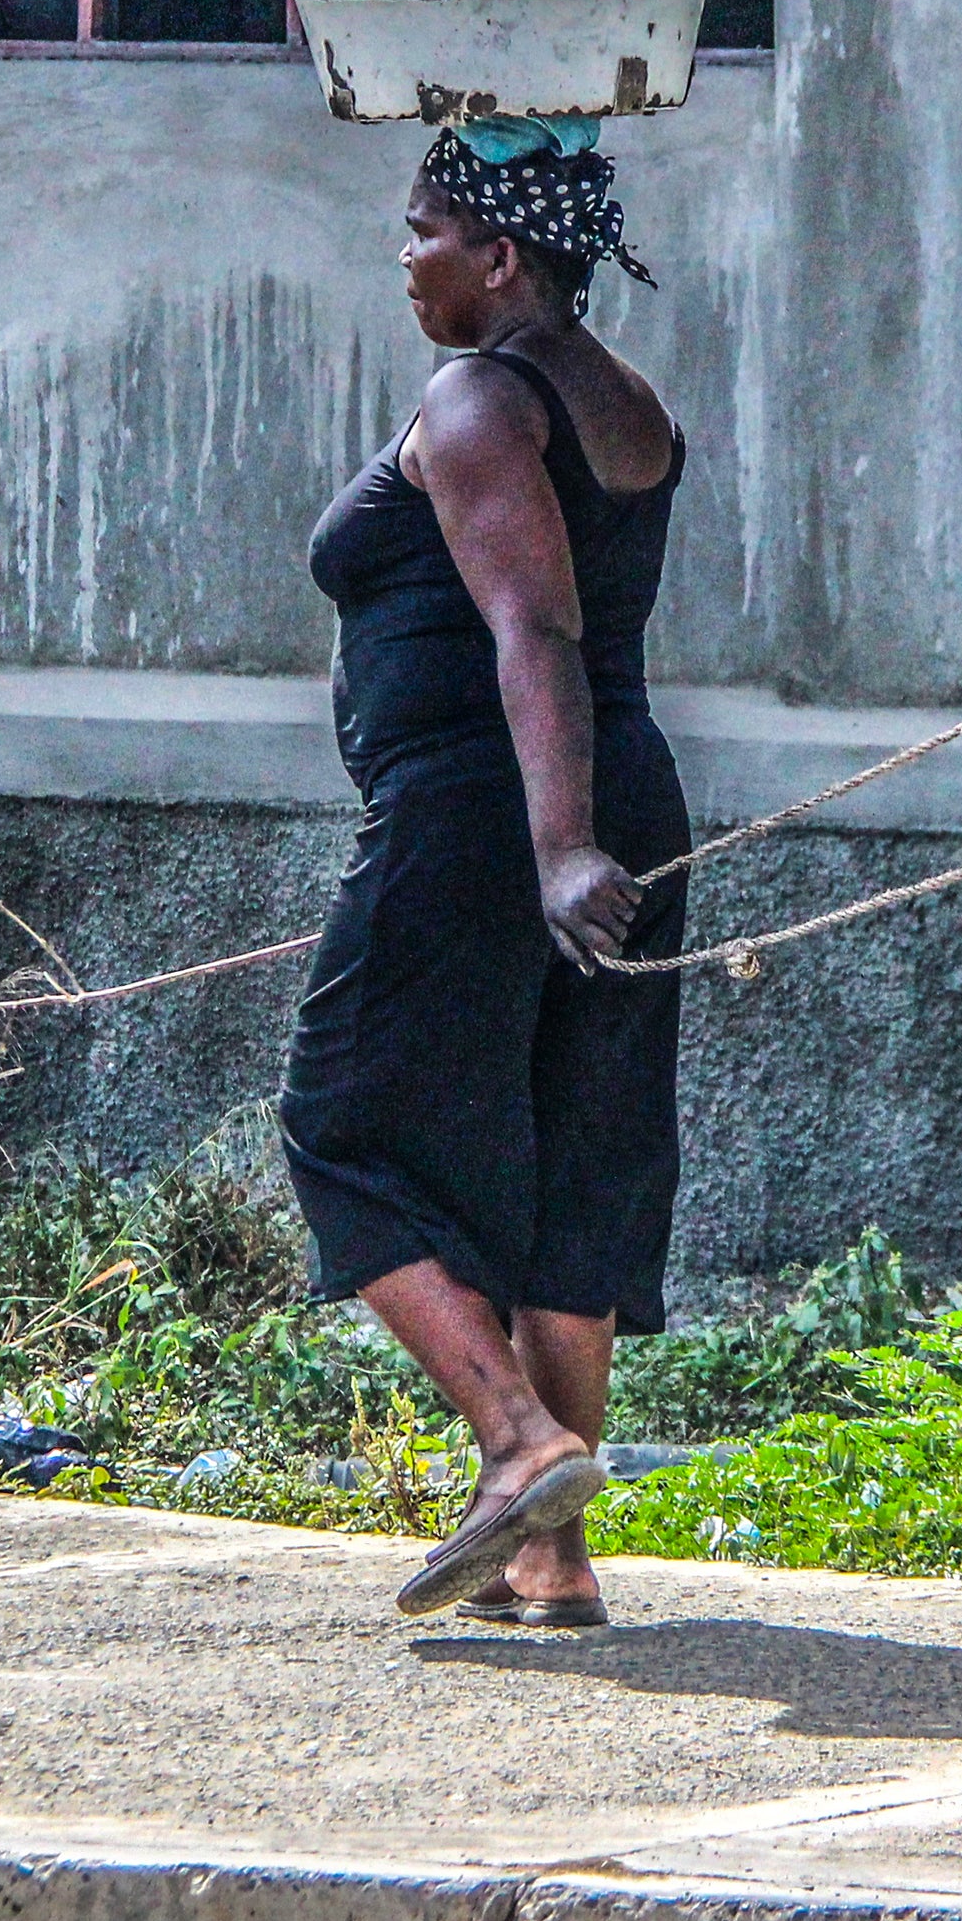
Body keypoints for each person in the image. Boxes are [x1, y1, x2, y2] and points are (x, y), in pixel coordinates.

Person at [278, 115, 689, 1625]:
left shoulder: (474, 402)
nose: (406, 258)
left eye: (425, 231)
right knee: (577, 1154)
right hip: (625, 795)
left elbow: (536, 628)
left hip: (488, 814)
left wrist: (557, 845)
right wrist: (586, 836)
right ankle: (553, 1557)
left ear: (501, 254)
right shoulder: (624, 398)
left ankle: (518, 1441)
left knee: (341, 1123)